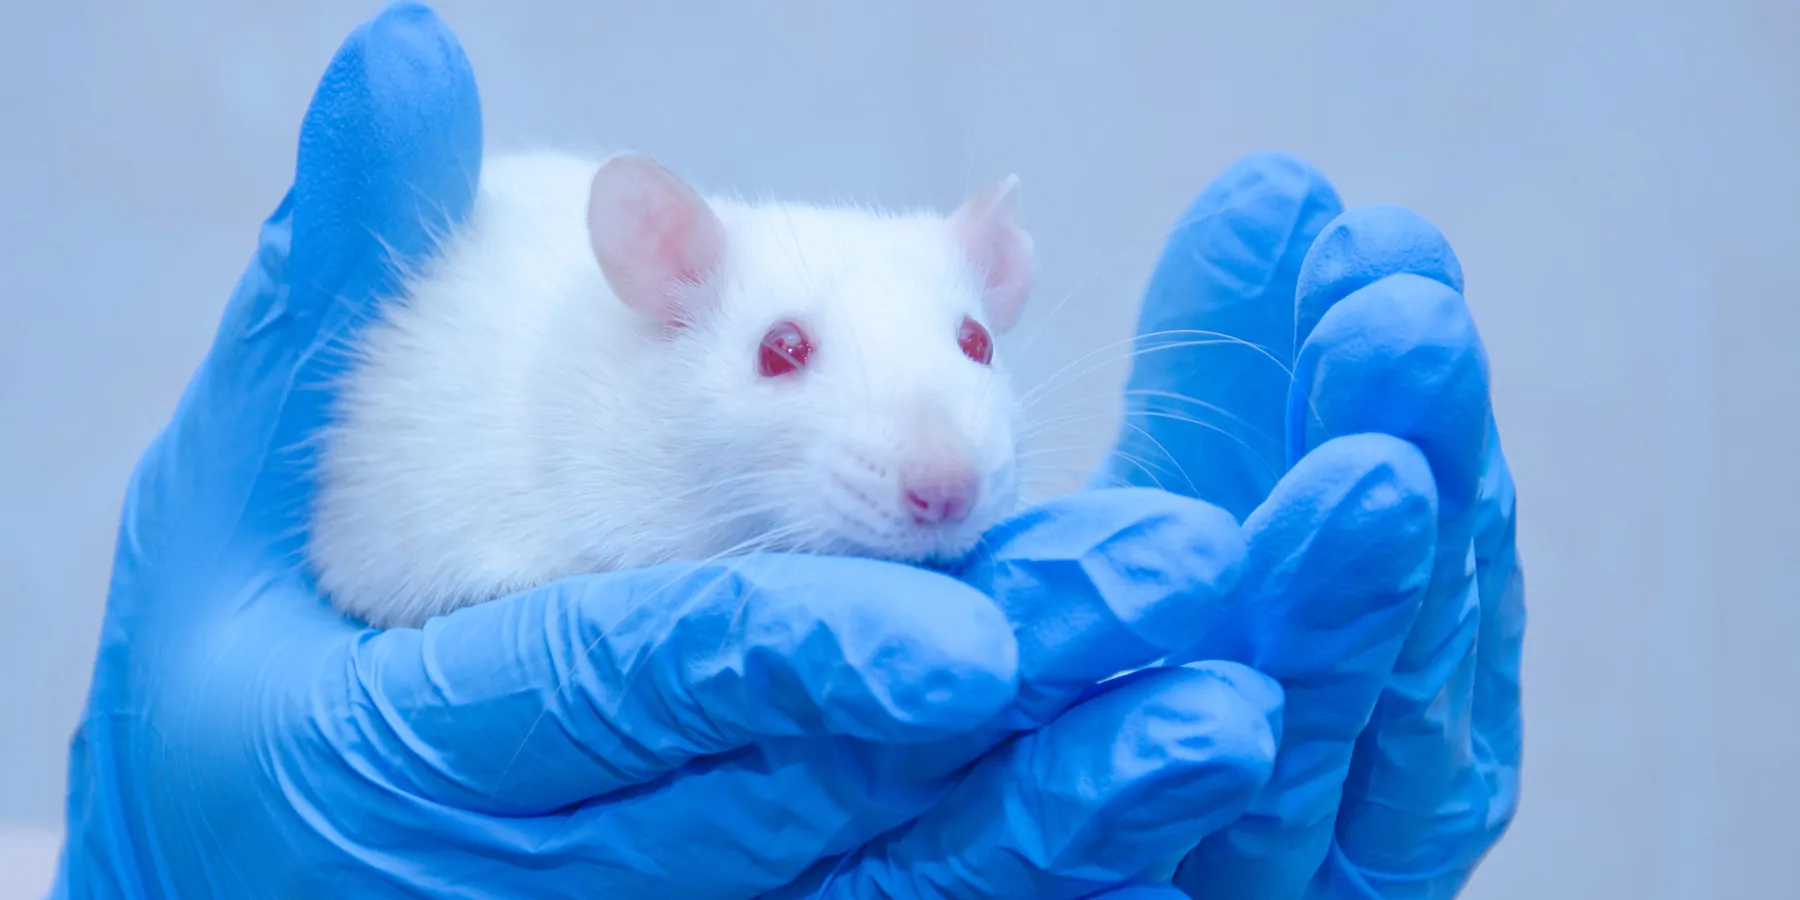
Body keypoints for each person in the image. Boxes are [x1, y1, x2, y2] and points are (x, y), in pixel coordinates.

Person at [48, 3, 1524, 898]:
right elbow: (371, 549)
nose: (939, 465)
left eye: (965, 345)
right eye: (786, 355)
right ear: (659, 271)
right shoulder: (538, 383)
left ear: (992, 285)